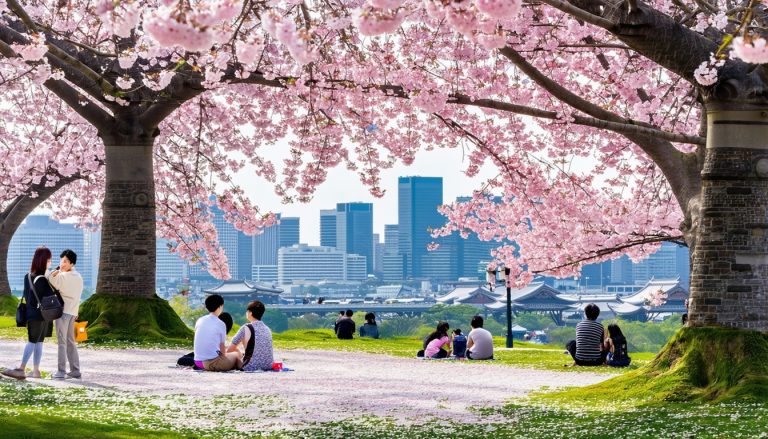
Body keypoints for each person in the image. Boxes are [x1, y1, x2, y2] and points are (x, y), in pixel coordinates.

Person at [2, 247, 57, 380]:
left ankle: (29, 370)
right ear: (45, 261)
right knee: (37, 342)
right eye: (49, 259)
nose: (50, 261)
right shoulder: (44, 278)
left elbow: (28, 296)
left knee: (34, 341)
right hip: (44, 315)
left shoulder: (27, 276)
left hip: (32, 313)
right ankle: (27, 369)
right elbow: (50, 296)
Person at [48, 249, 84, 380]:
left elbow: (50, 278)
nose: (62, 263)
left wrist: (57, 269)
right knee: (70, 342)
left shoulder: (63, 277)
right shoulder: (78, 277)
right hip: (73, 312)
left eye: (65, 261)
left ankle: (61, 371)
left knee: (62, 342)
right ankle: (75, 370)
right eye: (61, 261)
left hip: (63, 313)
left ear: (72, 264)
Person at [193, 294, 242, 372]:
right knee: (236, 354)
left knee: (230, 355)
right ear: (220, 306)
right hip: (211, 363)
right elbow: (222, 350)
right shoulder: (221, 324)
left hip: (197, 361)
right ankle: (244, 368)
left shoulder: (200, 320)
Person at [227, 301, 274, 371]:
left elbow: (230, 350)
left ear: (250, 313)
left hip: (250, 366)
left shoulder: (246, 327)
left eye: (247, 311)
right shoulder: (268, 329)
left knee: (235, 355)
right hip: (268, 365)